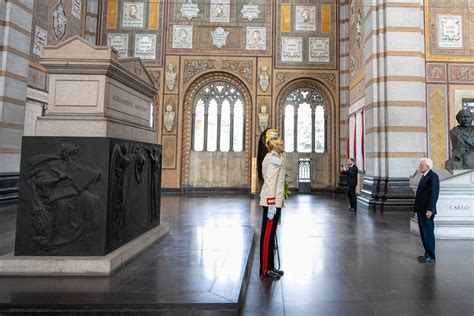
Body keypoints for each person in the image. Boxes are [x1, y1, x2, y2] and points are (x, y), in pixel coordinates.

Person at [259, 135, 286, 280]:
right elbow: (270, 182)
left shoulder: (275, 157)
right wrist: (271, 204)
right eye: (280, 144)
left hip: (275, 202)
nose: (282, 146)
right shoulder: (272, 158)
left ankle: (270, 266)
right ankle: (265, 269)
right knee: (267, 236)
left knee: (271, 237)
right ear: (274, 145)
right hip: (271, 203)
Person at [414, 158, 440, 263]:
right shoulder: (425, 176)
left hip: (427, 211)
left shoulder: (433, 176)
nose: (419, 167)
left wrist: (430, 210)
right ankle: (427, 253)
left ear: (427, 166)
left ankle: (431, 256)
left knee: (428, 233)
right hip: (421, 209)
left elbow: (434, 195)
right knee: (423, 233)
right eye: (420, 165)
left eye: (421, 165)